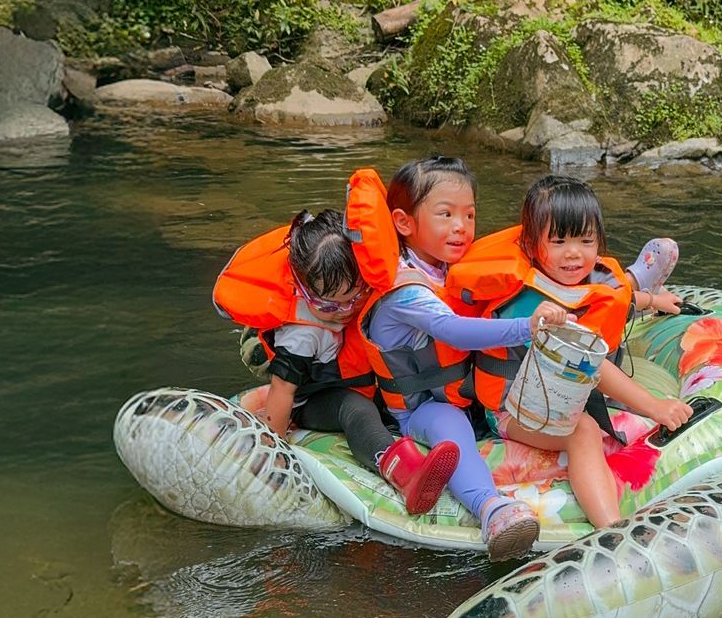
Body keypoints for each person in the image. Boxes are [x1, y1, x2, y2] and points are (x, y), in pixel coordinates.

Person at [448, 174, 693, 529]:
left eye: (585, 240)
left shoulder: (575, 277)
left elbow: (596, 300)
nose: (574, 252)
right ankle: (612, 529)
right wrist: (655, 407)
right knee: (584, 432)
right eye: (559, 241)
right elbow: (592, 367)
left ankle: (639, 279)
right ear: (531, 244)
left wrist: (650, 300)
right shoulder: (528, 303)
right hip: (514, 410)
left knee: (619, 411)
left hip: (567, 392)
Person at [355, 156, 567, 561]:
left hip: (474, 394)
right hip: (424, 408)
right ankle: (492, 511)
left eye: (469, 215)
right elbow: (454, 332)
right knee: (449, 424)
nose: (461, 227)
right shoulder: (406, 290)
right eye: (446, 214)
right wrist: (528, 326)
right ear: (404, 223)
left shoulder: (454, 270)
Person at [213, 207, 459, 515]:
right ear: (303, 289)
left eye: (355, 296)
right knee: (353, 409)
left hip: (374, 383)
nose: (345, 309)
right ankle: (403, 470)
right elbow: (283, 389)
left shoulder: (374, 281)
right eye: (329, 303)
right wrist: (275, 447)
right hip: (319, 399)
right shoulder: (302, 334)